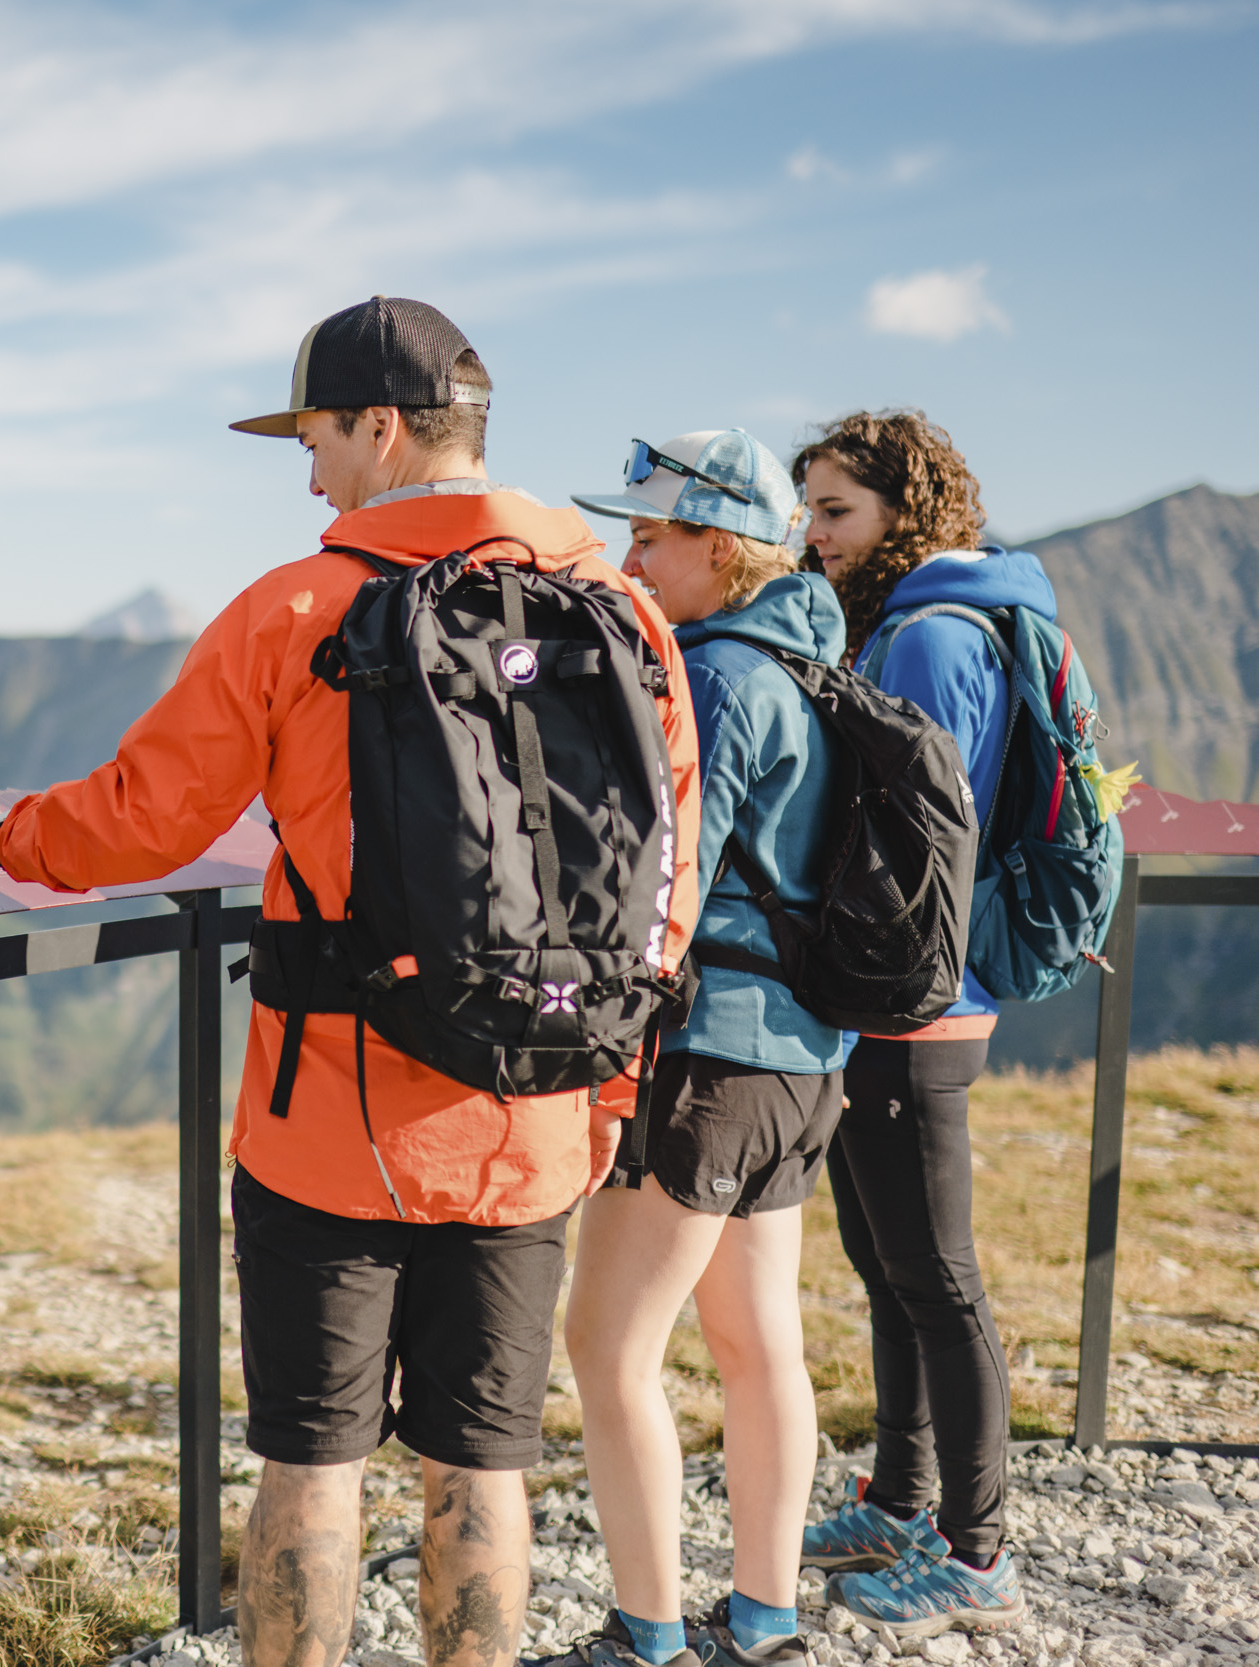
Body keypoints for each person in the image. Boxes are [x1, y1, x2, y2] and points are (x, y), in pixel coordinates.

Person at [0, 296, 701, 1667]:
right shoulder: (625, 610)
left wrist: (1, 839)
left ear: (383, 426)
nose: (310, 478)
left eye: (316, 440)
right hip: (531, 1113)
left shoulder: (297, 607)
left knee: (313, 1457)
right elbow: (669, 871)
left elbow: (145, 816)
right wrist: (601, 1079)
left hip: (330, 1123)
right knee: (483, 1461)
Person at [536, 434, 846, 1667]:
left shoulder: (712, 676)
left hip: (705, 1054)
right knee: (757, 1342)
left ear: (718, 546)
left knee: (608, 1344)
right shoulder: (813, 662)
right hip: (800, 1057)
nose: (630, 560)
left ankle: (647, 1635)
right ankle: (763, 1621)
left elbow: (661, 888)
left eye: (650, 537)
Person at [789, 411, 1033, 1646]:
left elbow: (918, 822)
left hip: (915, 995)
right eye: (809, 510)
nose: (814, 533)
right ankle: (897, 1502)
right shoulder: (907, 621)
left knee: (935, 1277)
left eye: (836, 510)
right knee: (889, 1267)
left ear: (904, 508)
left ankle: (977, 1552)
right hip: (894, 990)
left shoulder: (931, 636)